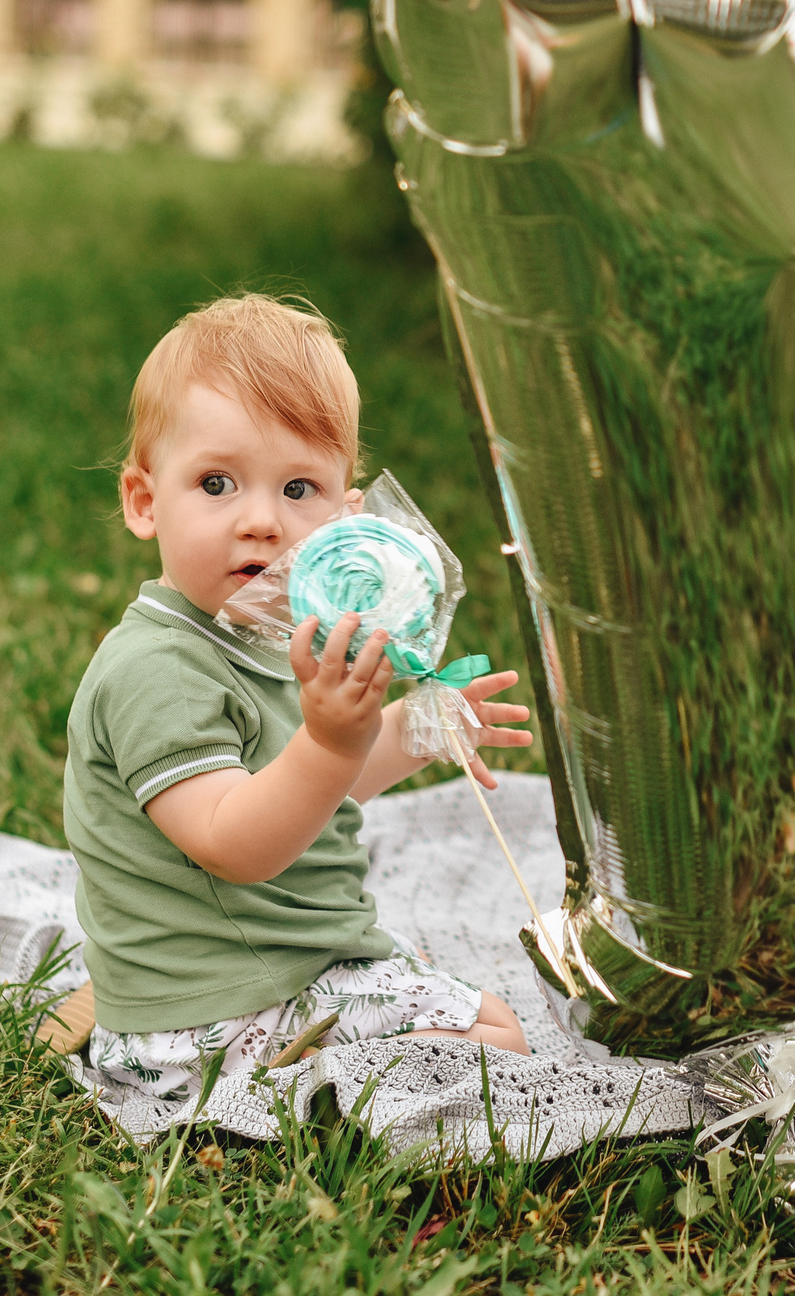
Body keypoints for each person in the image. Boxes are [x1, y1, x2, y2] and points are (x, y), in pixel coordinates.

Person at [63, 293, 534, 1133]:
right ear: (144, 501)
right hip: (209, 1014)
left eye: (299, 487)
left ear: (348, 521)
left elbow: (329, 787)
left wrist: (412, 731)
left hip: (266, 972)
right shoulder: (156, 668)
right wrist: (328, 738)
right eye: (215, 483)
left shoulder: (276, 636)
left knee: (478, 1019)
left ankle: (320, 1056)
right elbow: (236, 841)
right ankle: (299, 1084)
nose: (260, 520)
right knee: (491, 1038)